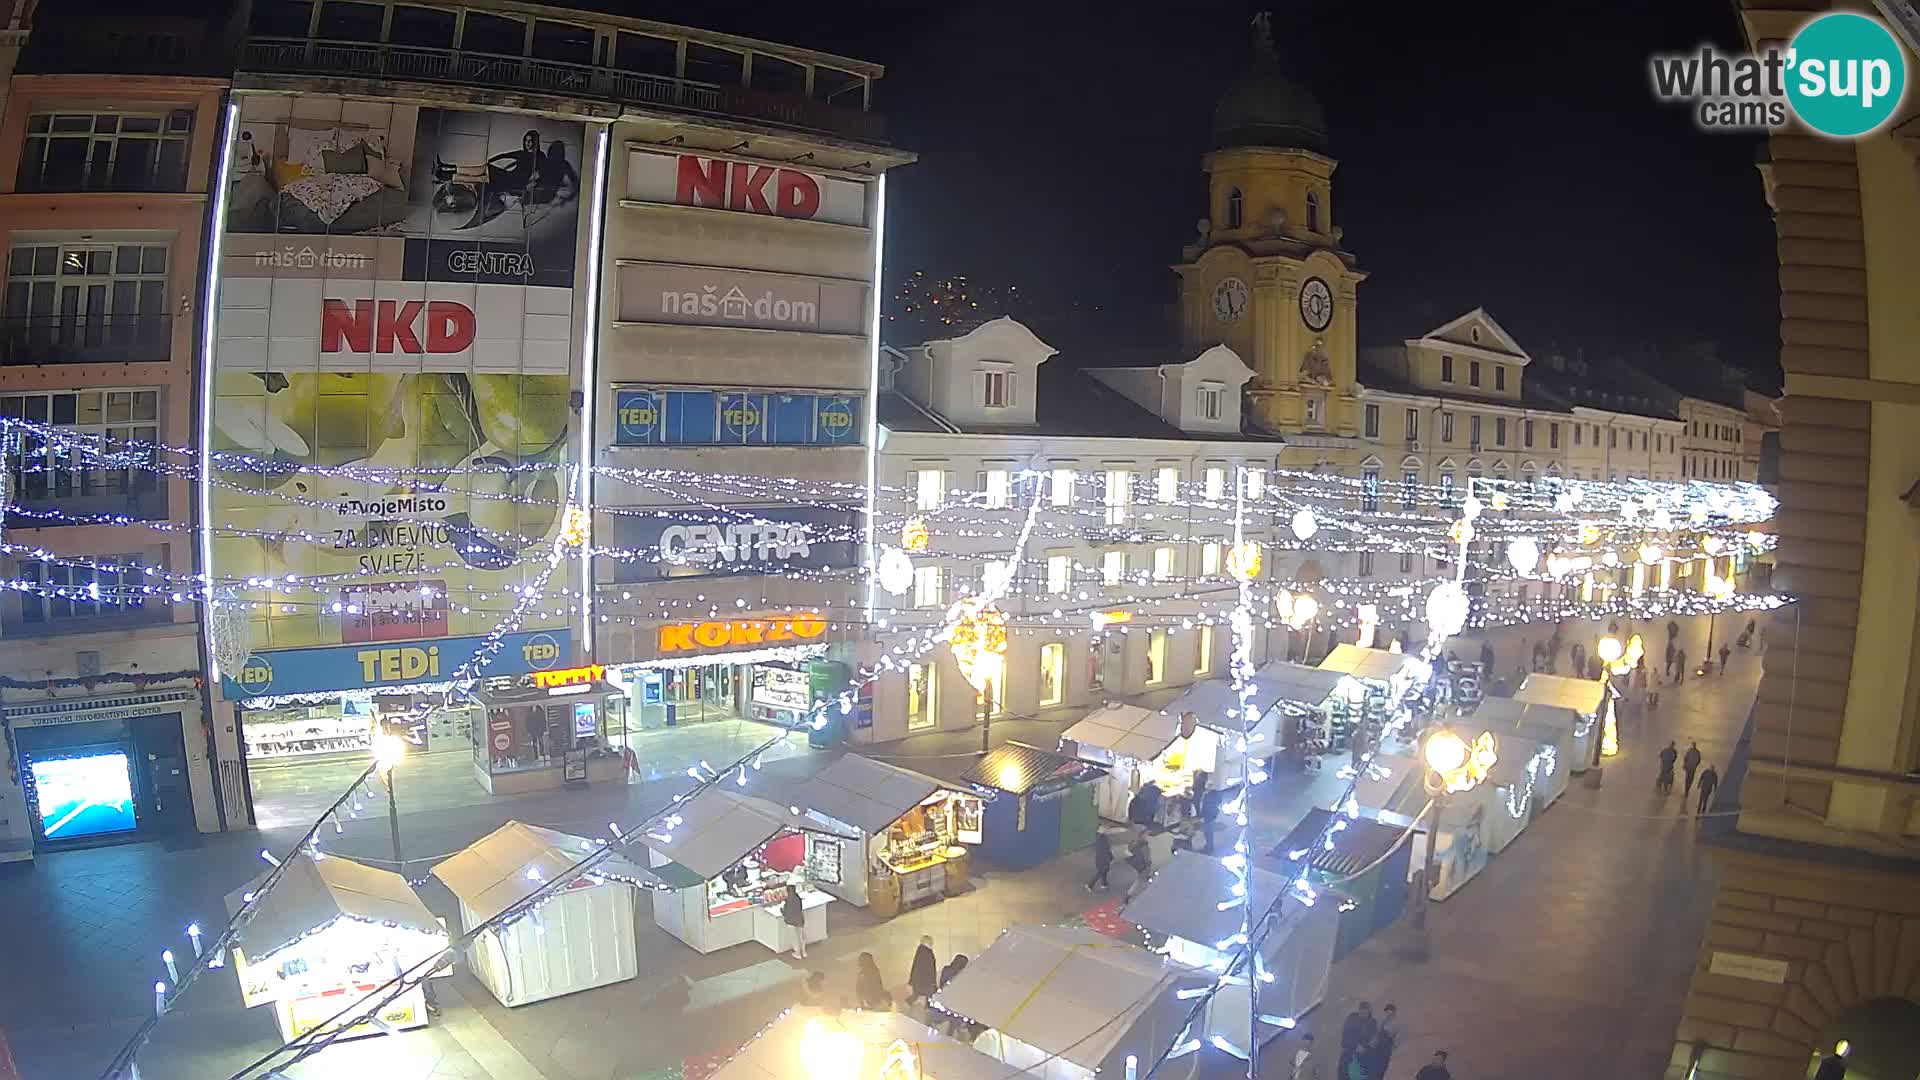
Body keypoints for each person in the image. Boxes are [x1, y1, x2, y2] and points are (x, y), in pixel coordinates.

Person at [1337, 1002, 1376, 1079]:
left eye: (1366, 1011)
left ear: (1370, 1012)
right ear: (1359, 1010)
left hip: (1364, 1056)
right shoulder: (1352, 1018)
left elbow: (1374, 1039)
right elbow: (1346, 1036)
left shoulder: (1373, 1022)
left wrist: (1366, 1046)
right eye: (1362, 1010)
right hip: (1349, 1054)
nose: (1364, 1013)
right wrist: (1356, 1045)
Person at [907, 935, 938, 1006]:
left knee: (919, 999)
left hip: (919, 982)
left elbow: (915, 967)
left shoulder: (921, 951)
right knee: (926, 1002)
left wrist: (911, 981)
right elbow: (930, 970)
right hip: (925, 982)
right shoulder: (927, 952)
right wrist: (933, 983)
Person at [782, 882, 809, 959]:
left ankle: (797, 953)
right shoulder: (798, 898)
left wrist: (782, 910)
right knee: (801, 937)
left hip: (791, 920)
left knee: (794, 937)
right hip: (799, 919)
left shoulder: (788, 900)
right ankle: (804, 952)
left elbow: (786, 911)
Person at [1124, 828, 1153, 900]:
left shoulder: (1135, 842)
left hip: (1134, 862)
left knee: (1141, 875)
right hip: (1141, 864)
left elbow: (1128, 850)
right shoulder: (1144, 845)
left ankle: (1148, 877)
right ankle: (1129, 895)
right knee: (1139, 880)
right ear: (1143, 835)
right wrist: (1148, 864)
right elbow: (1147, 857)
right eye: (1146, 834)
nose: (1147, 835)